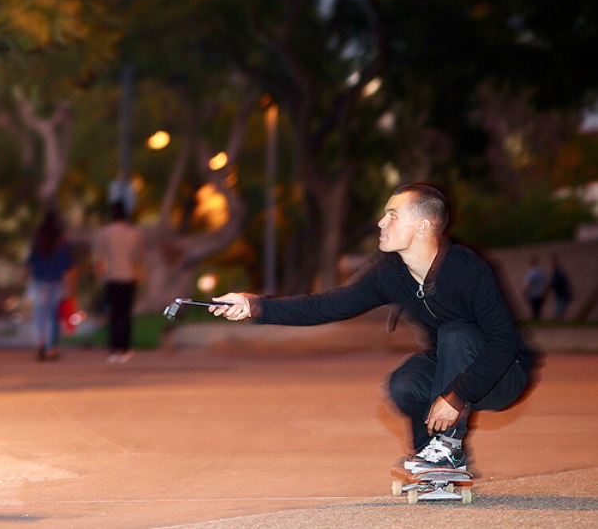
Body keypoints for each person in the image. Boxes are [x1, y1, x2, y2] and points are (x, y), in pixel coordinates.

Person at [210, 183, 536, 474]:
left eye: (393, 215)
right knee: (403, 383)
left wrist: (457, 395)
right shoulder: (388, 274)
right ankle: (430, 456)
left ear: (423, 226)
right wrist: (256, 306)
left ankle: (448, 449)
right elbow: (324, 305)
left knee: (455, 333)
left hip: (504, 375)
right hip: (451, 367)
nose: (382, 223)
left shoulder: (468, 270)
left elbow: (503, 341)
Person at [93, 201, 146, 364]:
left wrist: (101, 277)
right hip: (129, 277)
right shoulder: (134, 233)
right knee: (126, 313)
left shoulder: (104, 233)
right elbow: (138, 257)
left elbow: (99, 258)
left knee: (114, 313)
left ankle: (115, 348)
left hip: (112, 277)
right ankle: (126, 347)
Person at [25, 208, 76, 361]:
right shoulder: (62, 241)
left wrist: (25, 273)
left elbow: (31, 260)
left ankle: (40, 341)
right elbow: (67, 264)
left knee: (40, 313)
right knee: (53, 315)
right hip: (56, 280)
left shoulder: (38, 239)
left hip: (40, 280)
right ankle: (51, 348)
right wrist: (71, 285)